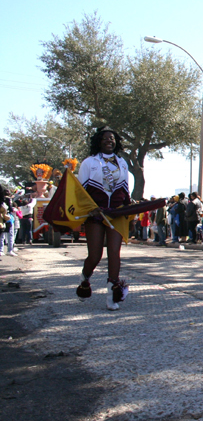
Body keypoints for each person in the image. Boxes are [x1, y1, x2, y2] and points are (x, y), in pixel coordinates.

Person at [76, 126, 132, 311]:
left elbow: (125, 190)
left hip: (116, 214)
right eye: (106, 138)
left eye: (113, 138)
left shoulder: (122, 163)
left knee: (114, 253)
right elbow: (81, 191)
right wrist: (90, 209)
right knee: (95, 255)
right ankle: (85, 279)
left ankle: (112, 295)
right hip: (95, 214)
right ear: (98, 142)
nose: (110, 141)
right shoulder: (89, 163)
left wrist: (128, 206)